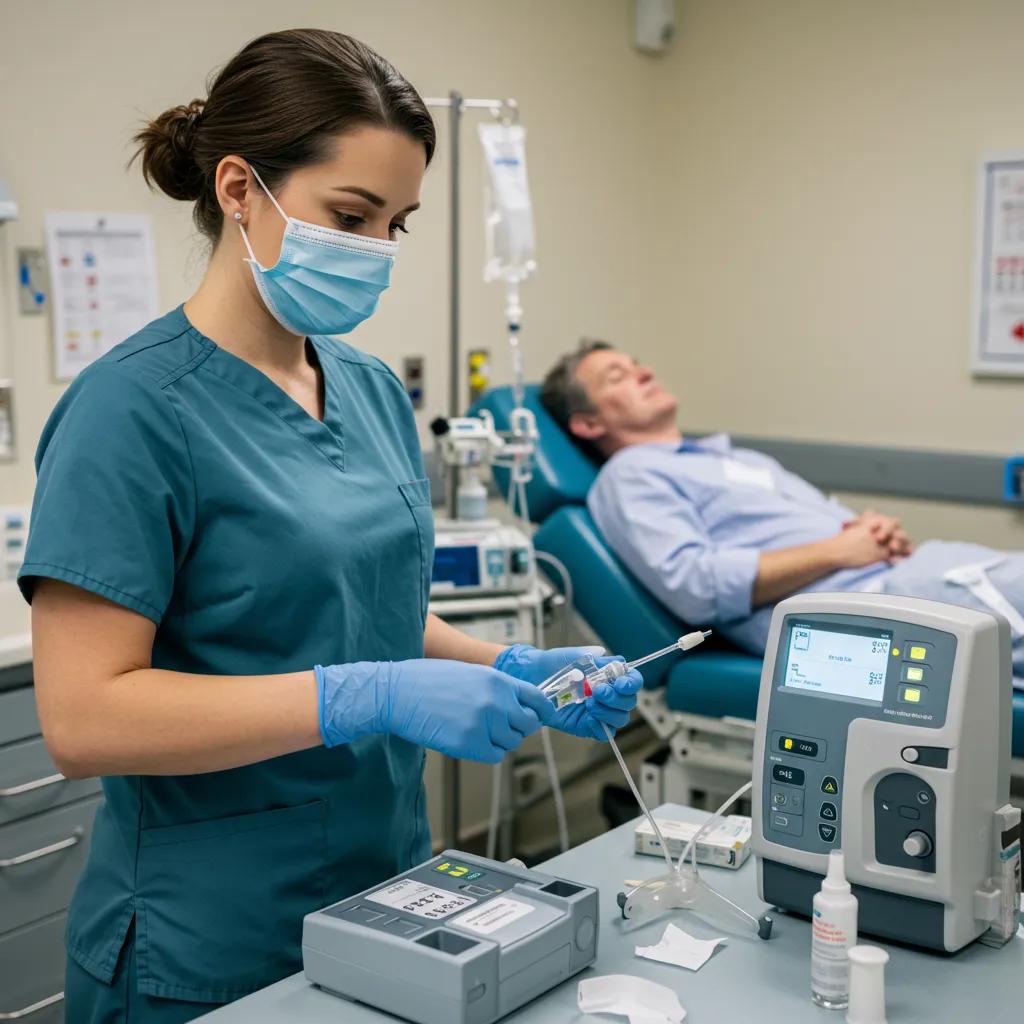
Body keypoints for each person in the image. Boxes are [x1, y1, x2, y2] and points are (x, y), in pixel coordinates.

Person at [21, 32, 641, 1023]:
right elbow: (85, 718)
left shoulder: (363, 386)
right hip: (212, 933)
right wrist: (366, 694)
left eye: (396, 223)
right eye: (351, 215)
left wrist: (505, 665)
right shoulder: (129, 411)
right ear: (237, 189)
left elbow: (363, 614)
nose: (376, 249)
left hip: (389, 888)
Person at [540, 340, 1024, 681]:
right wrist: (840, 550)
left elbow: (839, 529)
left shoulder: (733, 458)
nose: (644, 372)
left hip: (917, 576)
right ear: (587, 422)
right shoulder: (631, 475)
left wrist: (871, 532)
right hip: (874, 610)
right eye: (618, 376)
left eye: (637, 363)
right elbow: (697, 588)